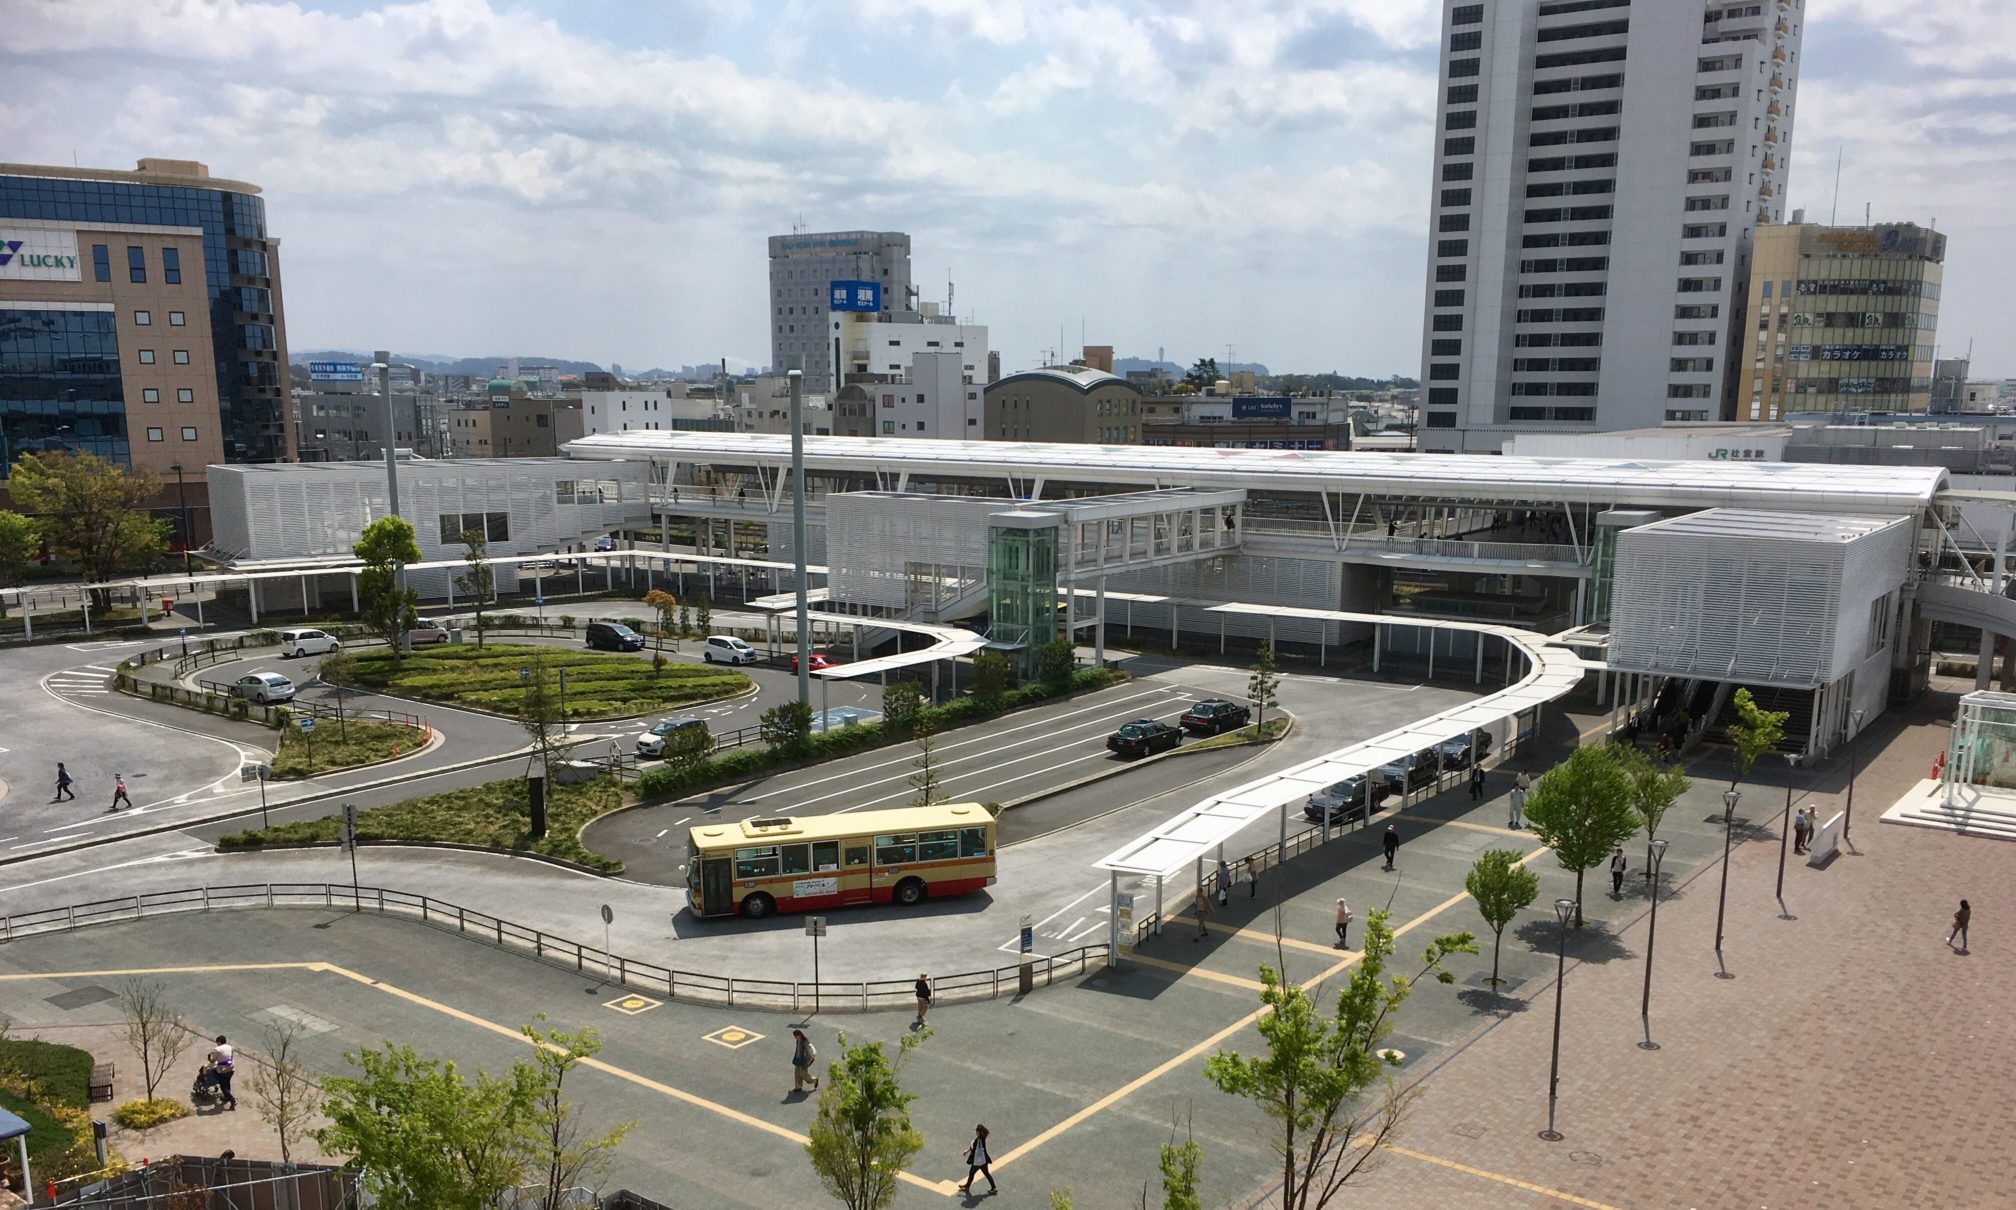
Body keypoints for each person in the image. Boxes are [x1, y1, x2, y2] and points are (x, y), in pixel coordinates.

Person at [959, 1124, 997, 1195]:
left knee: (971, 1173)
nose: (976, 1133)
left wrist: (967, 1152)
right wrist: (967, 1151)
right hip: (983, 1161)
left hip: (977, 1162)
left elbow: (973, 1147)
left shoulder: (978, 1140)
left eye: (977, 1131)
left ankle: (967, 1186)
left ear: (979, 1132)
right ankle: (993, 1187)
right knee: (986, 1174)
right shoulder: (983, 1138)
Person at [209, 1036, 236, 1109]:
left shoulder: (217, 1049)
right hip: (230, 1069)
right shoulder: (231, 1047)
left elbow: (213, 1060)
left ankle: (232, 1100)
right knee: (227, 1083)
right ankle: (227, 1097)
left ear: (219, 1042)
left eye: (217, 1042)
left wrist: (211, 1059)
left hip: (222, 1070)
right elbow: (230, 1059)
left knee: (223, 1087)